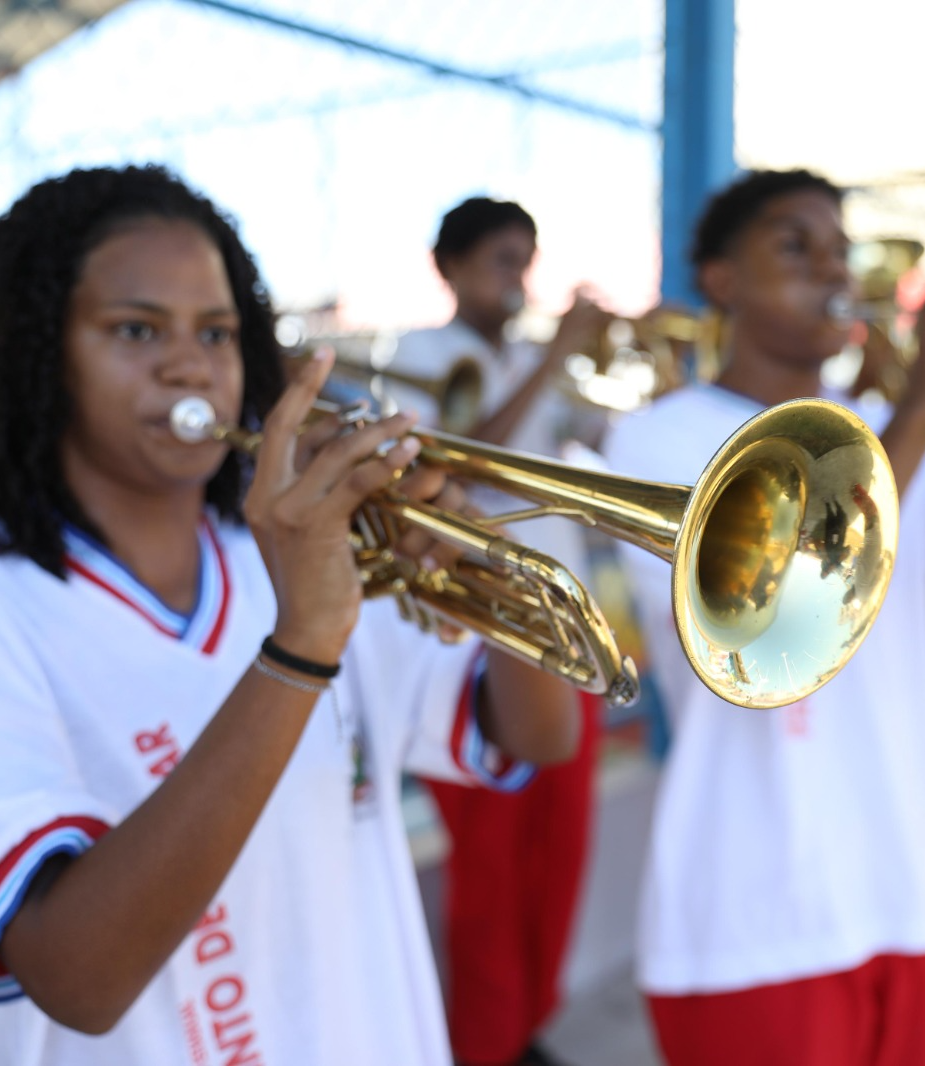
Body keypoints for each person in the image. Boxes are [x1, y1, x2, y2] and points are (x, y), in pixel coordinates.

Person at [0, 165, 579, 1066]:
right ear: (39, 351)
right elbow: (78, 976)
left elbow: (537, 733)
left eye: (217, 332)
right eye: (135, 329)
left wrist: (482, 561)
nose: (189, 364)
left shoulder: (302, 546)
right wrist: (300, 647)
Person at [602, 168, 925, 1066]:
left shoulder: (883, 430)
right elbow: (781, 611)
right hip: (754, 917)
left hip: (900, 892)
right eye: (795, 247)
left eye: (841, 249)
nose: (834, 269)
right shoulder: (658, 438)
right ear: (721, 280)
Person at [387, 197, 609, 1066]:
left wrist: (592, 368)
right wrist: (555, 356)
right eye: (501, 262)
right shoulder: (422, 355)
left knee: (560, 856)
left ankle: (526, 1026)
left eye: (526, 261)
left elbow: (598, 439)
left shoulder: (526, 356)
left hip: (565, 637)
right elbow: (462, 461)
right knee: (490, 869)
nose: (518, 280)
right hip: (474, 643)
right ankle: (486, 1043)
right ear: (448, 268)